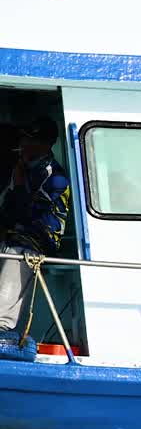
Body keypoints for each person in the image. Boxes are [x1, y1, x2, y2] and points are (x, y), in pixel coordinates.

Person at [0, 116, 71, 361]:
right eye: (23, 139)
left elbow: (33, 213)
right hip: (17, 231)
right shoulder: (24, 168)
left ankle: (2, 325)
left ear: (45, 144)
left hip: (40, 237)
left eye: (29, 140)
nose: (23, 144)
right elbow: (9, 209)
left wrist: (20, 185)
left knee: (15, 252)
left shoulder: (54, 175)